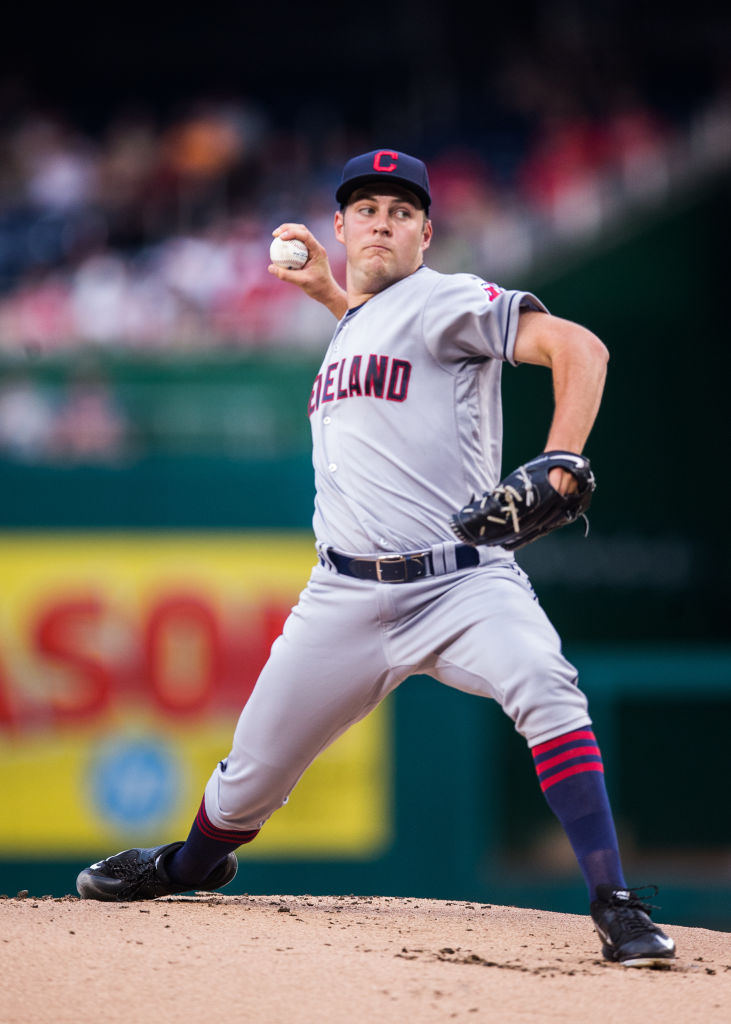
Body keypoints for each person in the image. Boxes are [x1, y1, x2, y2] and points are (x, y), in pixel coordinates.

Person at [77, 149, 675, 968]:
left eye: (400, 212)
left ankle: (615, 901)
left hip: (462, 582)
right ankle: (188, 866)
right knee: (246, 782)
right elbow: (381, 349)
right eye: (366, 209)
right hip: (343, 597)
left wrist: (562, 455)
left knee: (544, 684)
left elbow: (582, 348)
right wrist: (330, 296)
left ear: (426, 233)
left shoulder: (448, 298)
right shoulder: (357, 322)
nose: (382, 222)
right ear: (340, 227)